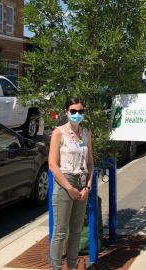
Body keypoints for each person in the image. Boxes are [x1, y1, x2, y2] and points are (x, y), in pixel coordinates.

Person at [48, 97, 94, 270]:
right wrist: (69, 188)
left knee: (76, 231)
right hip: (65, 183)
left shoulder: (86, 133)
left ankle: (72, 266)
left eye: (80, 111)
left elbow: (90, 163)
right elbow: (52, 164)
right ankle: (56, 267)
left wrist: (88, 186)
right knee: (60, 232)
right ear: (66, 112)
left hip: (82, 184)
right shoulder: (58, 132)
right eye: (73, 111)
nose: (77, 114)